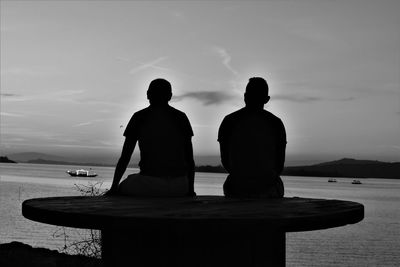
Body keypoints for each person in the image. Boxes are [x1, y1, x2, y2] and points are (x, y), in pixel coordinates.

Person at [107, 78, 195, 197]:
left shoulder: (139, 117)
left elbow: (125, 157)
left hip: (150, 184)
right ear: (170, 96)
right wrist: (190, 190)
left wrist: (113, 188)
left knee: (123, 186)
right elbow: (189, 159)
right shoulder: (181, 117)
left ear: (148, 94)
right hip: (180, 185)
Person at [218, 77, 286, 198]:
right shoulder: (276, 123)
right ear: (266, 99)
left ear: (245, 96)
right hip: (268, 189)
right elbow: (279, 164)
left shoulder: (229, 121)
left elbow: (225, 161)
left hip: (237, 187)